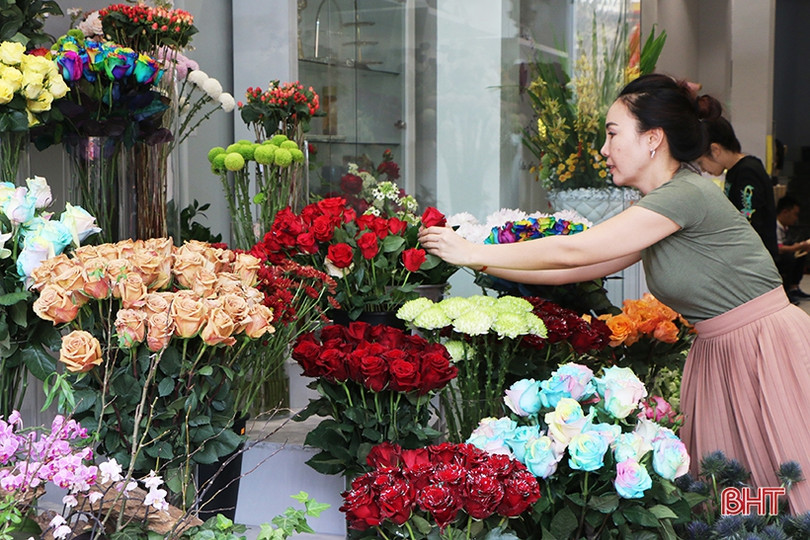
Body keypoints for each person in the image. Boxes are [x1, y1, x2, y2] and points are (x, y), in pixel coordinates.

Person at [419, 73, 810, 513]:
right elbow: (584, 266)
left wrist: (471, 252)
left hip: (759, 348)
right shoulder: (664, 201)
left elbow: (574, 250)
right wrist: (480, 259)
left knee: (783, 488)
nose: (604, 149)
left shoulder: (684, 194)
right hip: (724, 351)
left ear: (653, 139)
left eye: (612, 134)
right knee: (741, 500)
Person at [695, 112, 778, 258]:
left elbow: (751, 222)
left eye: (701, 162)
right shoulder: (735, 171)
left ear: (715, 150)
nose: (702, 169)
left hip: (755, 260)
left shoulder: (747, 172)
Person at [774, 195, 810, 303]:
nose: (796, 218)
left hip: (784, 253)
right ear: (785, 212)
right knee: (789, 257)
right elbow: (778, 247)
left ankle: (794, 287)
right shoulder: (774, 226)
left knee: (801, 254)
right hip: (776, 256)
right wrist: (797, 247)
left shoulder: (785, 228)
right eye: (795, 214)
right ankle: (785, 289)